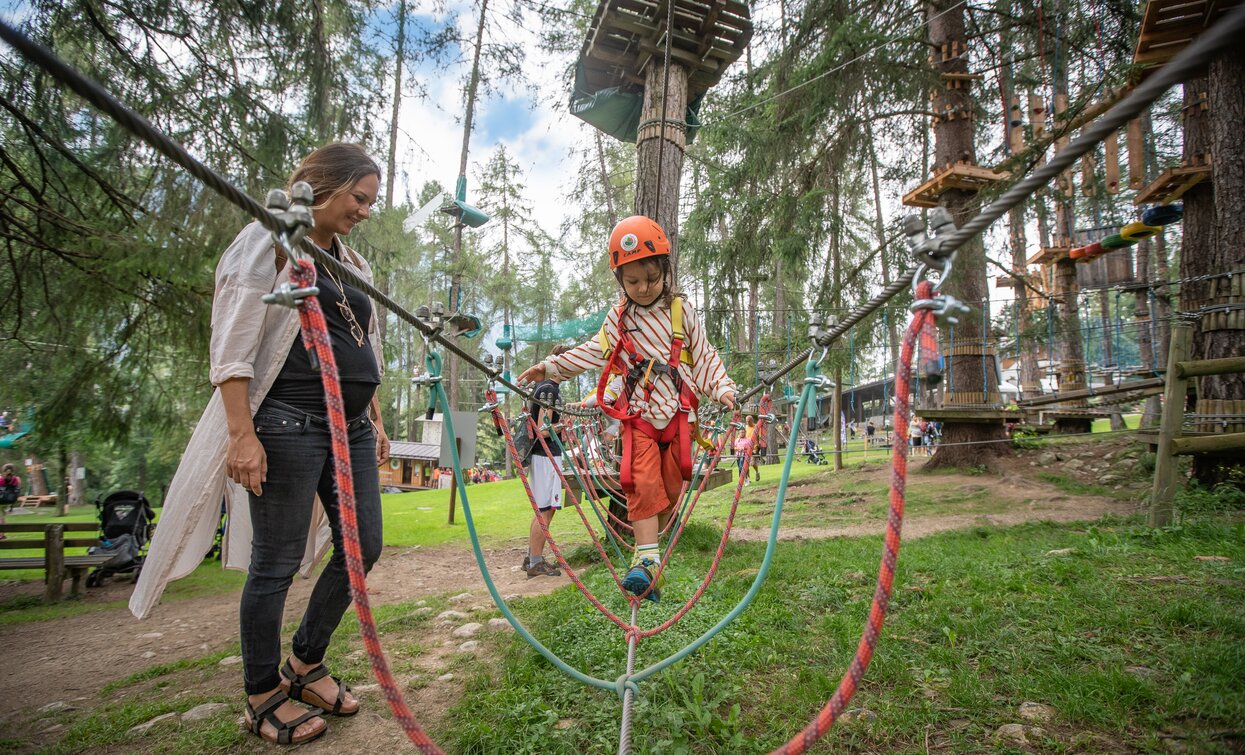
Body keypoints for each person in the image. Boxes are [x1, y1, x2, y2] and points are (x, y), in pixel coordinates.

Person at [131, 143, 389, 746]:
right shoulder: (268, 243)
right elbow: (233, 349)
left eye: (372, 202)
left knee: (364, 546)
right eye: (359, 198)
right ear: (322, 185)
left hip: (347, 428)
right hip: (288, 422)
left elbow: (365, 348)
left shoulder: (352, 264)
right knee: (274, 562)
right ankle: (260, 693)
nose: (365, 212)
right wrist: (242, 435)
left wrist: (373, 417)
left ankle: (304, 662)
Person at [517, 216, 735, 603]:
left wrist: (723, 389)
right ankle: (645, 563)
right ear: (620, 281)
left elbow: (703, 356)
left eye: (651, 279)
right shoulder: (620, 320)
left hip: (680, 416)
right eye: (632, 282)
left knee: (670, 490)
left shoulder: (681, 312)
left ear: (665, 271)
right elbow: (591, 351)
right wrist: (550, 368)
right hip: (638, 417)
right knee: (639, 481)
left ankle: (653, 559)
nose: (643, 288)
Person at [522, 344, 573, 578]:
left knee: (546, 508)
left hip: (545, 454)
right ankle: (535, 561)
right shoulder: (549, 389)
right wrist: (564, 425)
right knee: (545, 509)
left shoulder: (543, 387)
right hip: (546, 454)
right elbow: (543, 430)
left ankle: (533, 556)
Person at [0, 463, 19, 537]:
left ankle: (1, 534)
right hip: (8, 502)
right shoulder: (15, 479)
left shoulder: (1, 479)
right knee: (2, 517)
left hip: (1, 500)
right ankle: (2, 534)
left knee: (1, 517)